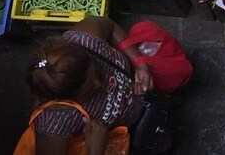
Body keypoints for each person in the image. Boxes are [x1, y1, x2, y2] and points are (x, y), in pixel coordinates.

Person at [24, 16, 154, 155]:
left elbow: (110, 26)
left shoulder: (85, 40)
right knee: (154, 142)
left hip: (149, 101)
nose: (98, 84)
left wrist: (139, 63)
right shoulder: (55, 122)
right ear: (63, 99)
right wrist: (96, 149)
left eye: (94, 74)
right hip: (133, 128)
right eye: (89, 89)